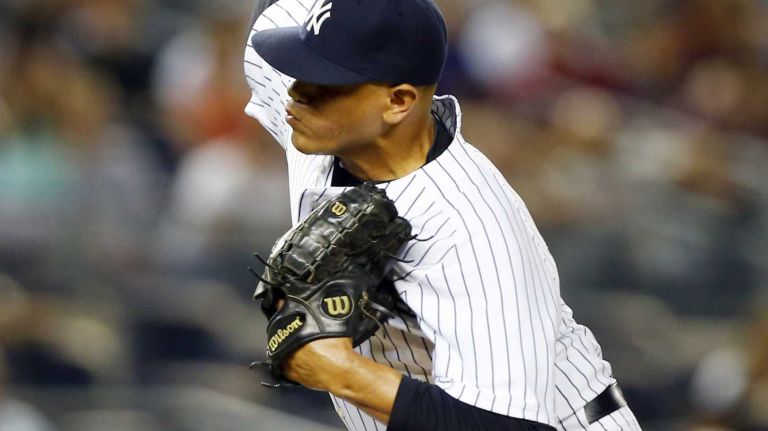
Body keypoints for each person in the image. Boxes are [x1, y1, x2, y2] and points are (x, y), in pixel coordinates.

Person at [243, 0, 642, 430]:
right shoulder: (332, 116)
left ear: (398, 102)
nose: (296, 91)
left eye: (324, 79)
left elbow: (510, 426)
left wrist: (338, 371)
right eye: (302, 64)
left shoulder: (467, 225)